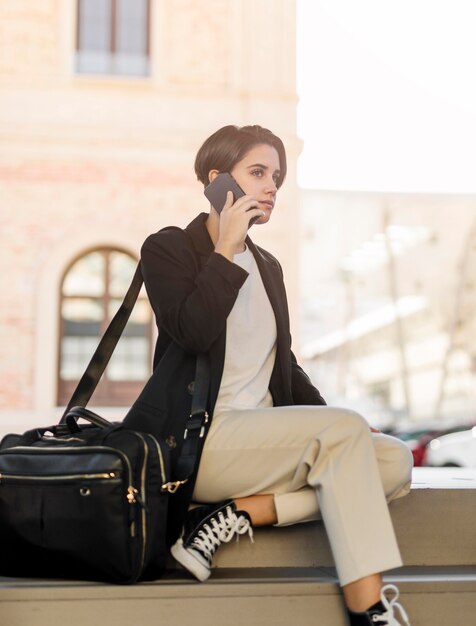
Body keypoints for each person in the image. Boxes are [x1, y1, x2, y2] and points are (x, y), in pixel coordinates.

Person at [136, 125, 413, 626]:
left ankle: (238, 514)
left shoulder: (268, 266)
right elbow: (194, 332)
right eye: (258, 173)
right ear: (217, 181)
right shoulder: (169, 249)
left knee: (393, 461)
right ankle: (369, 609)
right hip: (204, 441)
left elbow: (284, 366)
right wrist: (224, 250)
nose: (271, 188)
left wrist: (342, 427)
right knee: (349, 439)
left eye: (277, 178)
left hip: (264, 439)